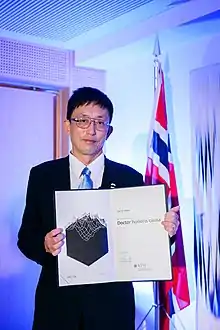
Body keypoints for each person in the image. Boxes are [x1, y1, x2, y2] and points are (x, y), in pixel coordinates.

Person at [17, 87, 180, 330]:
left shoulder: (129, 178)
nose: (91, 130)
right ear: (68, 125)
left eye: (100, 122)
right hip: (58, 304)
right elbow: (25, 238)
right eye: (82, 120)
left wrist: (166, 232)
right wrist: (44, 244)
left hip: (112, 306)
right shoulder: (42, 176)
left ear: (109, 131)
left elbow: (145, 242)